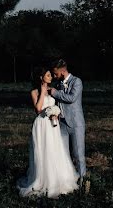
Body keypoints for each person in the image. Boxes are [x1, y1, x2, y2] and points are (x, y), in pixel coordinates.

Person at [16, 66, 79, 198]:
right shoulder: (34, 92)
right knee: (43, 150)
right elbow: (38, 109)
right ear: (41, 77)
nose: (51, 77)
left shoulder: (52, 90)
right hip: (41, 125)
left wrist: (56, 113)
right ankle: (43, 180)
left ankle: (57, 179)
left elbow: (55, 105)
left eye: (51, 74)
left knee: (54, 149)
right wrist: (43, 91)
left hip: (52, 124)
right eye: (48, 75)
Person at [48, 58, 87, 187]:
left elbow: (71, 98)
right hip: (62, 125)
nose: (54, 76)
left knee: (78, 154)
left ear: (63, 71)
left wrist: (54, 92)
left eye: (55, 73)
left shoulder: (77, 82)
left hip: (76, 124)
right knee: (64, 155)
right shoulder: (59, 84)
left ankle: (83, 181)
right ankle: (68, 182)